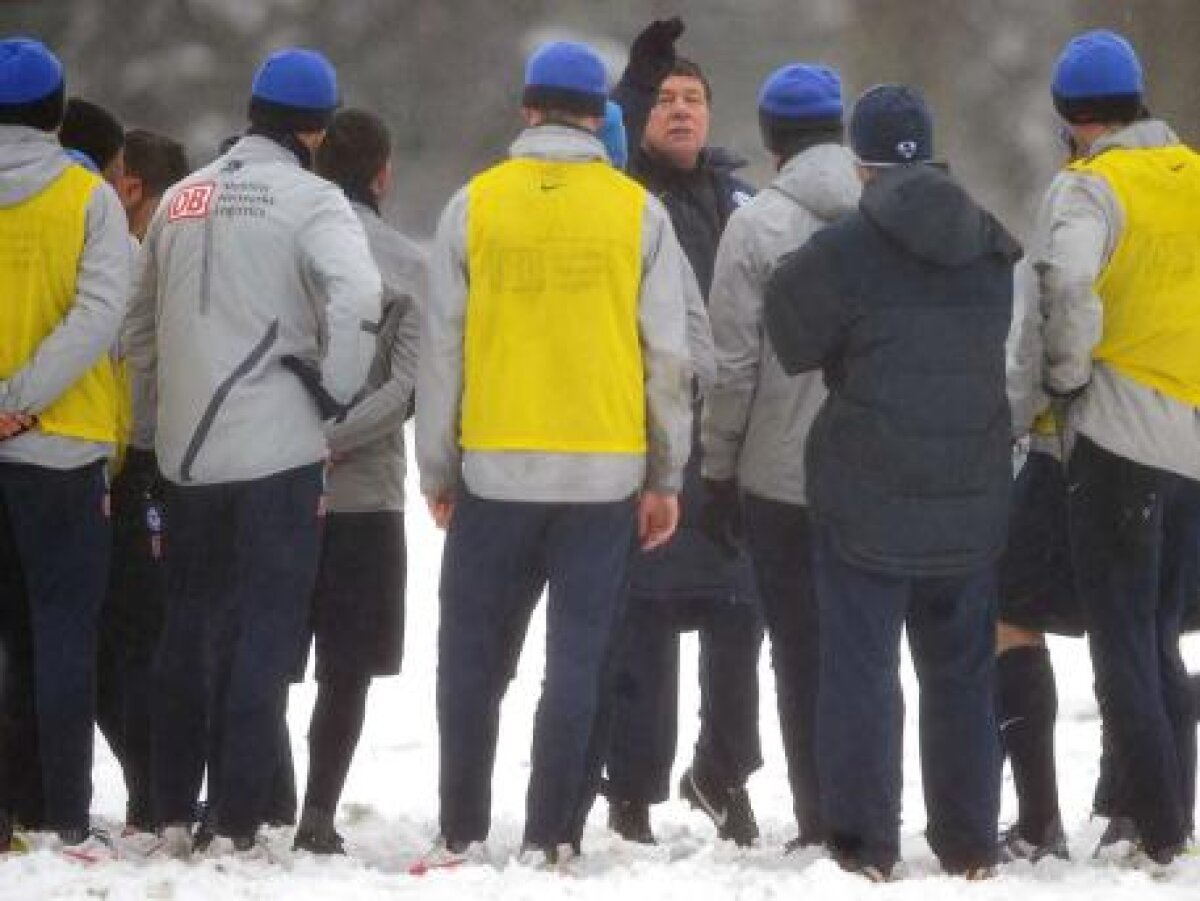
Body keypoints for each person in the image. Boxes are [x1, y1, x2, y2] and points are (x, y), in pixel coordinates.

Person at [414, 39, 692, 869]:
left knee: (469, 657)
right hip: (603, 473)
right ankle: (552, 832)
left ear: (528, 110)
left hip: (495, 468)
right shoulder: (638, 211)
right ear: (596, 115)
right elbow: (669, 359)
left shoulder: (473, 205)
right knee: (576, 660)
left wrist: (437, 467)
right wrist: (664, 474)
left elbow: (441, 351)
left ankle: (462, 824)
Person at [124, 46, 380, 859]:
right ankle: (237, 815)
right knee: (264, 633)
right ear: (317, 129)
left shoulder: (182, 199)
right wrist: (335, 388)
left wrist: (143, 431)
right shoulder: (315, 201)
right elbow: (361, 295)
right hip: (277, 451)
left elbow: (138, 324)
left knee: (186, 627)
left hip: (184, 454)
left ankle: (168, 809)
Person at [764, 85, 1020, 880]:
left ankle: (865, 844)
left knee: (862, 672)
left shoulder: (846, 246)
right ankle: (971, 842)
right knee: (961, 674)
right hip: (969, 491)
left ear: (860, 163)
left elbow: (790, 333)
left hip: (866, 492)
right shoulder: (989, 244)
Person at [1040, 29, 1200, 867]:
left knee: (1122, 636)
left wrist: (1064, 376)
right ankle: (1172, 805)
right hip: (1192, 440)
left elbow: (1064, 285)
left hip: (1117, 435)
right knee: (1165, 631)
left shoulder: (1088, 188)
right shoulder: (1194, 176)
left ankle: (1161, 821)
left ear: (1068, 117)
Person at [603, 16, 762, 848]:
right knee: (644, 627)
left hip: (731, 443)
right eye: (665, 99)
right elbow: (610, 137)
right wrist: (635, 83)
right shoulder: (625, 189)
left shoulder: (743, 199)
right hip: (648, 436)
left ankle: (723, 772)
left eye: (693, 98)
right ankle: (629, 787)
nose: (680, 111)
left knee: (740, 619)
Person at [701, 63, 859, 853]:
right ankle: (870, 804)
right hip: (871, 473)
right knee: (863, 648)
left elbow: (731, 366)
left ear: (769, 138)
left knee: (798, 650)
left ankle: (818, 815)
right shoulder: (883, 207)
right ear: (840, 128)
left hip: (777, 473)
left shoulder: (755, 225)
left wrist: (718, 465)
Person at [0, 37, 132, 860]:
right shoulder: (89, 197)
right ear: (56, 113)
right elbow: (99, 313)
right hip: (61, 445)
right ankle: (63, 811)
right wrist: (19, 402)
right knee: (62, 633)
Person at [290, 107, 424, 855]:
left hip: (274, 477)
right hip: (364, 495)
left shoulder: (287, 247)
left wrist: (298, 438)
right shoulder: (409, 263)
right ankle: (316, 811)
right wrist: (338, 437)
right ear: (383, 174)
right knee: (346, 669)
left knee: (256, 650)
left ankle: (245, 795)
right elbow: (407, 389)